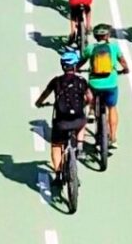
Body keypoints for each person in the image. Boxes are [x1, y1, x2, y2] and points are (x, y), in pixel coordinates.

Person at [35, 51, 91, 182]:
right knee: (83, 122)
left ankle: (58, 174)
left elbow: (45, 94)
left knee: (56, 145)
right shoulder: (82, 81)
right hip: (78, 120)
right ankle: (80, 146)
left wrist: (39, 103)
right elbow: (89, 97)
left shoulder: (56, 81)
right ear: (75, 66)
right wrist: (86, 103)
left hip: (61, 122)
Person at [79, 24, 128, 148]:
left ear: (95, 36)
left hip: (95, 84)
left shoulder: (90, 48)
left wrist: (76, 69)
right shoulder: (114, 47)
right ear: (107, 36)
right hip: (111, 84)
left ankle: (90, 111)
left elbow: (81, 61)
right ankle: (113, 137)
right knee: (112, 107)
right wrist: (125, 69)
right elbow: (122, 61)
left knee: (89, 93)